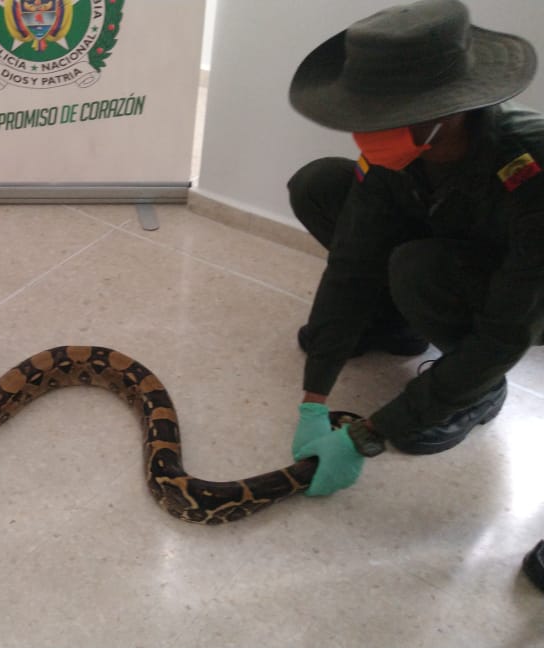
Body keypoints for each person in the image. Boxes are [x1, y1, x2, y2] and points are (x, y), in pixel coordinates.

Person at [282, 0, 544, 593]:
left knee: (418, 267)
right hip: (444, 252)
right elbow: (352, 261)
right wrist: (314, 394)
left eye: (380, 115)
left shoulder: (530, 167)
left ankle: (477, 394)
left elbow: (509, 327)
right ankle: (394, 325)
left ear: (446, 113)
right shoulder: (401, 150)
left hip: (523, 296)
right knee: (322, 184)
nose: (363, 128)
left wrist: (370, 434)